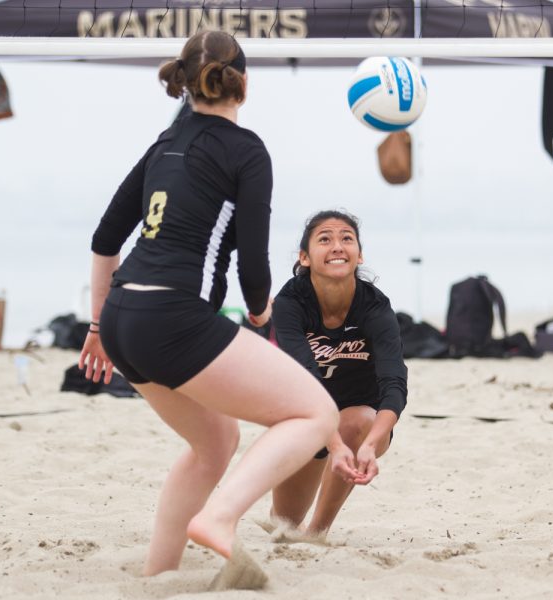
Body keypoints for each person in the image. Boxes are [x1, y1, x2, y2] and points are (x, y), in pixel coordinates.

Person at [76, 31, 339, 589]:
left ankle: (160, 573)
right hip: (173, 319)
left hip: (123, 317)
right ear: (244, 84)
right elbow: (252, 269)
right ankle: (220, 517)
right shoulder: (247, 150)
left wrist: (98, 325)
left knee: (215, 442)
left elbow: (104, 239)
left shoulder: (164, 143)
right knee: (316, 413)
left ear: (185, 82)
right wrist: (264, 318)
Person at [268, 210, 408, 540]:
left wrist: (370, 445)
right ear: (305, 257)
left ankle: (318, 533)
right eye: (325, 239)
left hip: (360, 422)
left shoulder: (374, 306)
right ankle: (292, 520)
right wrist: (331, 442)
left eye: (347, 238)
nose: (337, 245)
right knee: (284, 521)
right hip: (307, 417)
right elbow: (306, 378)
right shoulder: (290, 302)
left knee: (356, 422)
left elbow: (394, 383)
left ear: (359, 254)